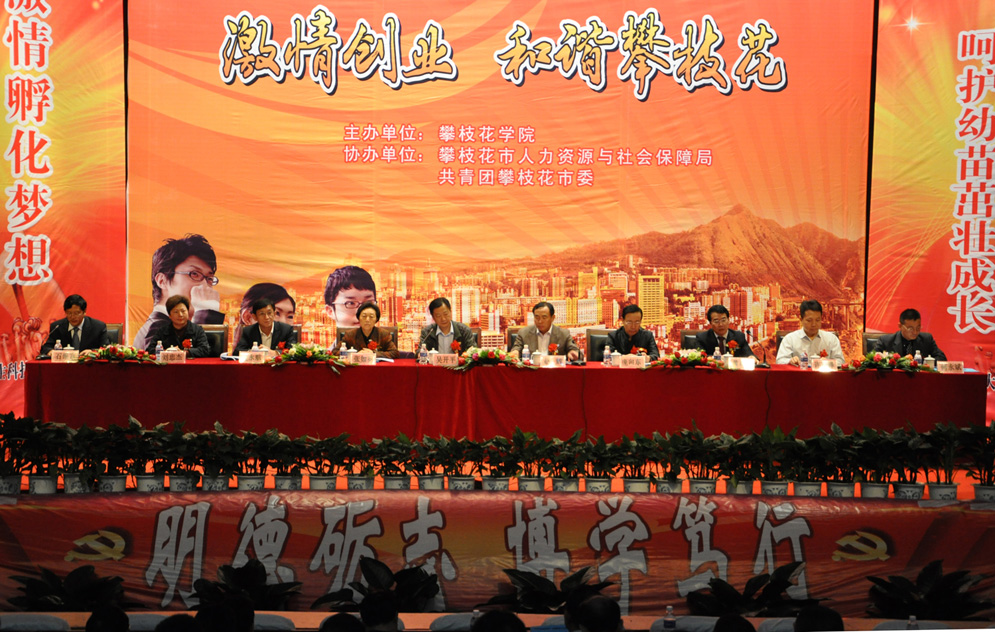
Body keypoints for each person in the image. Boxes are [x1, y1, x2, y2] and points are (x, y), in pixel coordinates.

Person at [134, 234, 223, 350]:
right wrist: (206, 315)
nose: (204, 286)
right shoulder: (157, 329)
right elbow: (198, 360)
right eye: (194, 274)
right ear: (162, 281)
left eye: (209, 278)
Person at [776, 300, 845, 366]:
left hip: (823, 374)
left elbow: (840, 361)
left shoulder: (831, 339)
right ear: (801, 319)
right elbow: (780, 361)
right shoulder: (790, 339)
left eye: (817, 320)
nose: (814, 324)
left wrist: (828, 362)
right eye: (809, 320)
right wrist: (790, 361)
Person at [232, 283, 296, 348]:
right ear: (248, 317)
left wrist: (275, 352)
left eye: (290, 316)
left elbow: (292, 351)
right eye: (277, 313)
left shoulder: (287, 330)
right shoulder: (248, 332)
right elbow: (238, 351)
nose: (283, 321)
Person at [40, 294, 110, 354]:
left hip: (89, 364)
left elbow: (106, 349)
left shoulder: (98, 327)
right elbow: (46, 348)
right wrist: (51, 352)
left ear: (84, 312)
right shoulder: (57, 327)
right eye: (69, 313)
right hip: (65, 364)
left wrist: (92, 352)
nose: (73, 317)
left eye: (76, 313)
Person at [509, 302, 580, 361]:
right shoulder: (524, 333)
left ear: (552, 318)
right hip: (531, 371)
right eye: (537, 317)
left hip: (554, 371)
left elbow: (574, 350)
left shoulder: (563, 334)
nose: (540, 321)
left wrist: (573, 353)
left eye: (544, 317)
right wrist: (515, 353)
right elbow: (517, 348)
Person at [145, 295, 211, 358]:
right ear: (169, 315)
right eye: (176, 312)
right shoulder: (162, 331)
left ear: (188, 312)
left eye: (183, 311)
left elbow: (205, 350)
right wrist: (166, 353)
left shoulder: (197, 330)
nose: (180, 315)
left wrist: (184, 353)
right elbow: (150, 349)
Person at [873, 308, 947, 361]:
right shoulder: (886, 341)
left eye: (918, 328)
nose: (915, 332)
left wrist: (924, 363)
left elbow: (942, 358)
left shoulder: (926, 339)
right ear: (900, 326)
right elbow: (873, 359)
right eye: (910, 329)